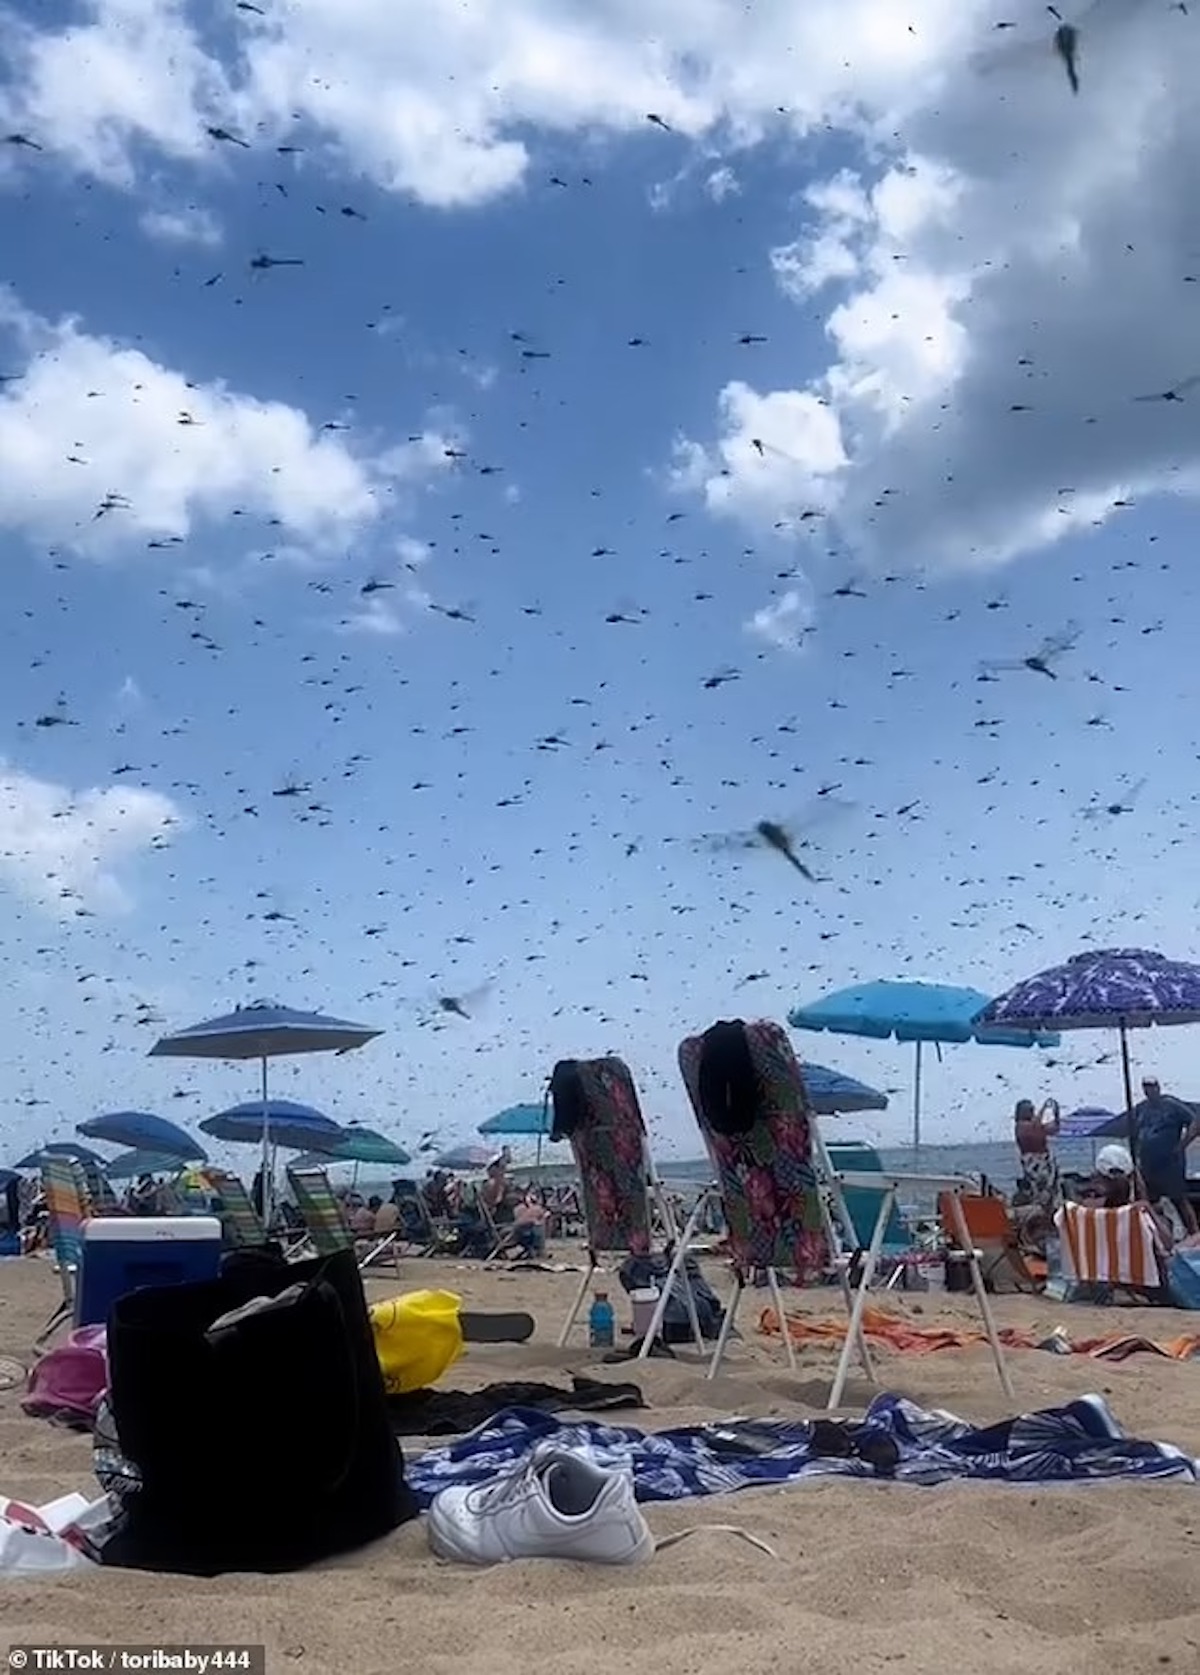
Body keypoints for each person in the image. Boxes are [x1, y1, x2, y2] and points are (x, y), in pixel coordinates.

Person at [1130, 1077, 1200, 1235]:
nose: (1149, 1090)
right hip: (1148, 1164)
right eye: (1146, 1087)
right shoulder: (1142, 1109)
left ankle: (1195, 1233)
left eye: (1152, 1086)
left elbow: (1195, 1122)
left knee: (1179, 1199)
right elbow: (1136, 1134)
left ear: (1158, 1087)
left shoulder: (1171, 1105)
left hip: (1170, 1163)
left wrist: (1182, 1145)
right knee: (1149, 1202)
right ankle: (1158, 1234)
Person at [1014, 1097, 1061, 1231]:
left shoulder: (1034, 1125)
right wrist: (1044, 1108)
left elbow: (1054, 1129)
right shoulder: (1021, 1126)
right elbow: (1035, 1126)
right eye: (1030, 1110)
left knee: (1052, 1192)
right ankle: (1041, 1222)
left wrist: (1056, 1113)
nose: (1032, 1112)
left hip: (1045, 1161)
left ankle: (1052, 1220)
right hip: (1033, 1163)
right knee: (1040, 1192)